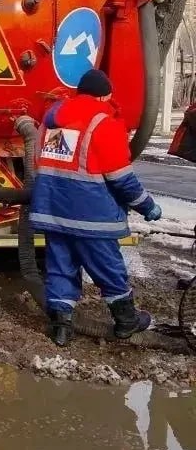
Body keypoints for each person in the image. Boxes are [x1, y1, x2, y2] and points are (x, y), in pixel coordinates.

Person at [30, 68, 162, 346]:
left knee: (60, 268)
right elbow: (122, 178)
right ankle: (126, 322)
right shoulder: (103, 122)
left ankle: (61, 328)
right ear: (104, 96)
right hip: (92, 216)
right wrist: (147, 206)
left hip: (53, 211)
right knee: (108, 269)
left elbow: (41, 162)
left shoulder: (54, 118)